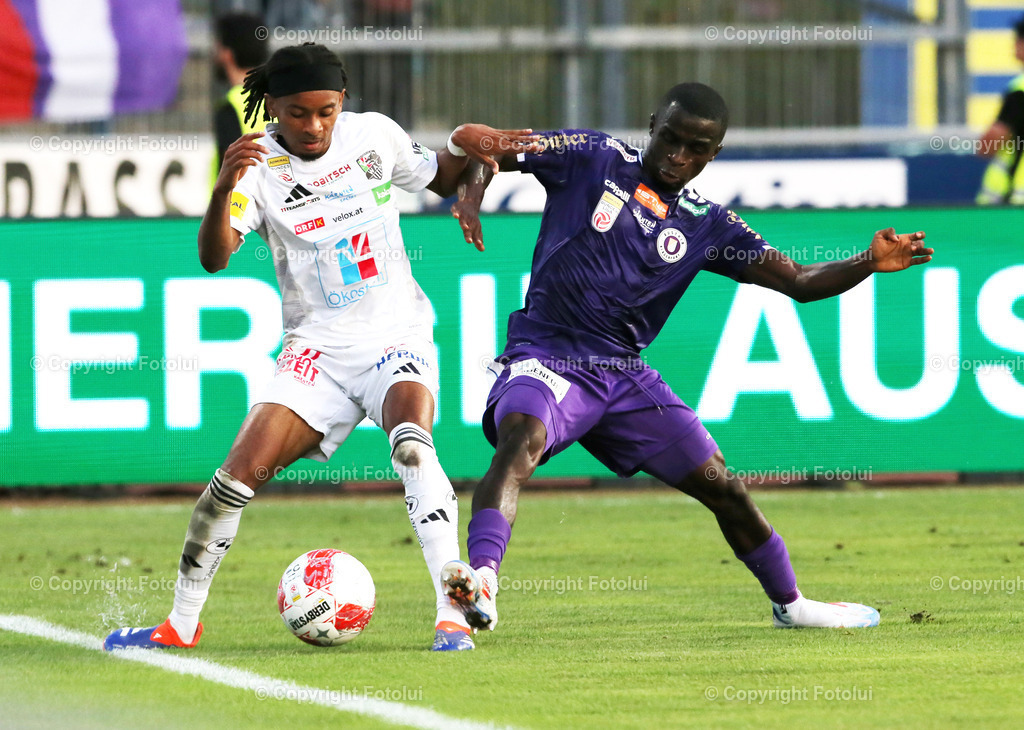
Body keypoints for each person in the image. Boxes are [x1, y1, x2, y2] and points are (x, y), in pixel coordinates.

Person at [439, 82, 933, 634]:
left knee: (722, 485)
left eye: (695, 149)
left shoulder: (707, 225)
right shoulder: (594, 157)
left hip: (624, 375)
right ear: (653, 125)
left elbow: (799, 282)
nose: (678, 157)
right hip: (549, 354)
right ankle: (481, 582)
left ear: (713, 153)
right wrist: (474, 186)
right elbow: (484, 144)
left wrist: (868, 260)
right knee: (521, 437)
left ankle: (791, 605)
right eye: (670, 139)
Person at [104, 43, 538, 653]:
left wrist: (477, 162)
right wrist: (224, 183)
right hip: (316, 353)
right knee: (229, 486)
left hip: (395, 336)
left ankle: (451, 614)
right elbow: (213, 256)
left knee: (412, 446)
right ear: (272, 108)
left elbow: (445, 173)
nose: (313, 126)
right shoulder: (256, 167)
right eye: (297, 113)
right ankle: (180, 624)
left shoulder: (375, 138)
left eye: (327, 111)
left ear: (343, 103)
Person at [211, 12, 269, 186]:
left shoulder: (231, 107)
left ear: (227, 54)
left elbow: (229, 178)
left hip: (240, 210)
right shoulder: (278, 97)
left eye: (218, 46)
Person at [976, 14, 1024, 205]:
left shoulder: (1020, 91)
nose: (1015, 45)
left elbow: (989, 144)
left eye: (1018, 39)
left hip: (1014, 203)